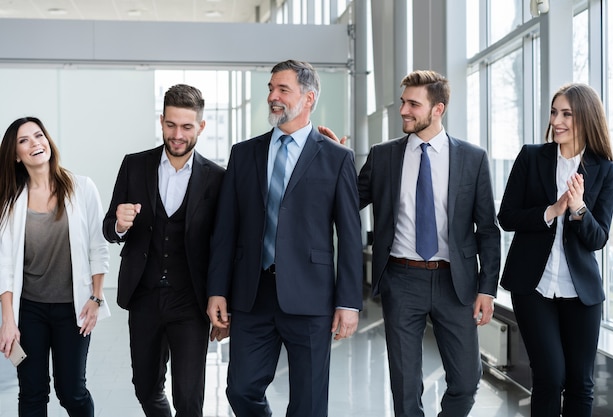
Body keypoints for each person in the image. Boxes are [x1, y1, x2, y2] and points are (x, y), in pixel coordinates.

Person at [321, 69, 501, 417]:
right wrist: (336, 161)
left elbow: (488, 229)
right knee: (405, 387)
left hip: (455, 282)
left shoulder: (472, 158)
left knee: (466, 380)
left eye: (413, 104)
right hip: (401, 281)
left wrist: (487, 289)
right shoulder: (383, 155)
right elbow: (345, 203)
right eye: (403, 102)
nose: (403, 110)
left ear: (438, 109)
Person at [206, 59, 363, 417]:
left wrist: (349, 302)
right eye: (270, 89)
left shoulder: (337, 158)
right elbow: (225, 228)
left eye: (283, 90)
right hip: (252, 293)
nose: (273, 97)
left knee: (308, 402)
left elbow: (350, 236)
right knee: (241, 389)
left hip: (311, 298)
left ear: (308, 98)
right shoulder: (244, 153)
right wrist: (218, 289)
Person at [102, 84, 225, 417]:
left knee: (188, 397)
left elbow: (223, 247)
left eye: (186, 127)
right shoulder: (134, 166)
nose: (177, 134)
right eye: (171, 125)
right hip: (144, 296)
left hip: (191, 301)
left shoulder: (217, 178)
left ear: (200, 127)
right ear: (161, 121)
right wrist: (119, 224)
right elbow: (108, 227)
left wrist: (222, 300)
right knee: (146, 388)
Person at [498, 83, 613, 417]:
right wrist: (551, 211)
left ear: (587, 118)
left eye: (567, 113)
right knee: (549, 377)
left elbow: (598, 239)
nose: (558, 120)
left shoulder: (605, 169)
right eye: (554, 112)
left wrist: (578, 208)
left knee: (581, 384)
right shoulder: (531, 156)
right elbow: (506, 216)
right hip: (533, 286)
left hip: (581, 292)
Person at [0, 116, 110, 416]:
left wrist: (96, 297)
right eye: (24, 140)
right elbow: (4, 265)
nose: (35, 143)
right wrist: (8, 320)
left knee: (72, 392)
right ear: (15, 154)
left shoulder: (82, 188)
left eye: (38, 135)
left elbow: (97, 248)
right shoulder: (9, 200)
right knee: (32, 393)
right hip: (29, 310)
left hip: (71, 309)